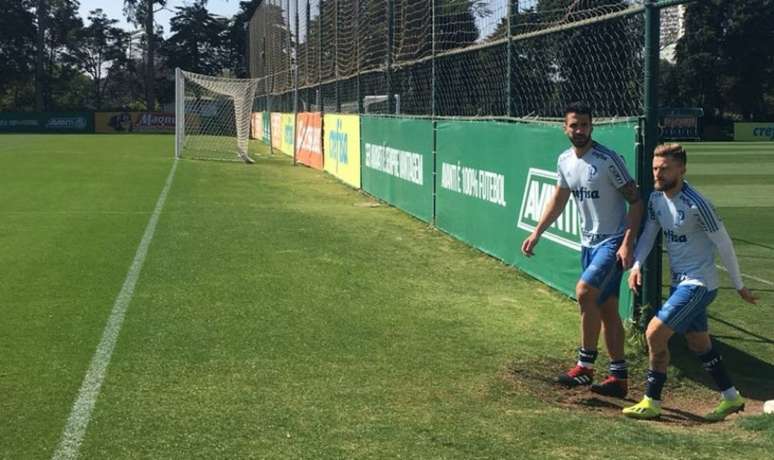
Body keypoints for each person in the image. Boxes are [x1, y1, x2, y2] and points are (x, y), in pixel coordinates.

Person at [623, 143, 757, 421]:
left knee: (654, 334)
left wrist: (739, 284)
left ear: (682, 169)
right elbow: (649, 234)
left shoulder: (698, 203)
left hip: (699, 284)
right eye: (655, 168)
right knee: (699, 344)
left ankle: (651, 400)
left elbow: (725, 244)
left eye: (665, 168)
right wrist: (636, 265)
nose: (658, 174)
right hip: (679, 282)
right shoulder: (656, 199)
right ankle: (732, 397)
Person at [522, 102, 643, 398]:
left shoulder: (607, 160)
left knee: (584, 291)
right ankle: (619, 378)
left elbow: (637, 201)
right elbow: (559, 199)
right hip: (587, 243)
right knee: (608, 309)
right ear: (565, 128)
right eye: (574, 125)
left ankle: (585, 367)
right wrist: (537, 232)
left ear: (592, 126)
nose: (579, 130)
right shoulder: (564, 160)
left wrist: (628, 242)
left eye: (585, 125)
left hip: (612, 241)